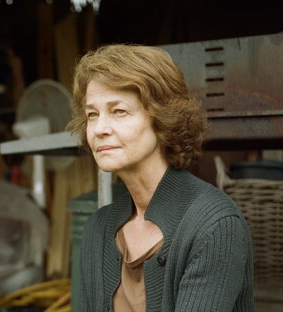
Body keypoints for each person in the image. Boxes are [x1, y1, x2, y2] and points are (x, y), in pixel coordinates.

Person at [67, 44, 254, 311]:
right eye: (92, 114)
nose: (99, 129)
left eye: (119, 111)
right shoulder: (98, 228)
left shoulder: (215, 225)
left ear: (163, 118)